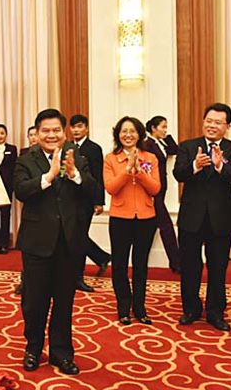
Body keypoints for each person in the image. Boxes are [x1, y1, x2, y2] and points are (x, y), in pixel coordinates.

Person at [15, 108, 96, 375]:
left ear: (64, 132)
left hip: (69, 243)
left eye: (56, 130)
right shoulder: (26, 159)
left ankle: (61, 352)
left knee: (64, 301)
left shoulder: (77, 157)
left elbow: (93, 190)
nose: (51, 135)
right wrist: (48, 176)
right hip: (37, 242)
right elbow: (21, 191)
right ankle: (33, 348)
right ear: (37, 134)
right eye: (46, 131)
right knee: (34, 302)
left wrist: (75, 175)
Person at [173, 103, 231, 331]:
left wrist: (220, 167)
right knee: (190, 267)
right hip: (191, 217)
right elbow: (178, 174)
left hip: (221, 218)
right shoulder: (188, 146)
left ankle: (216, 313)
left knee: (218, 268)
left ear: (227, 126)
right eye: (209, 121)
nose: (212, 126)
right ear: (203, 121)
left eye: (217, 122)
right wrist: (195, 166)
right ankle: (191, 309)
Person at [104, 116, 160, 325]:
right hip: (120, 218)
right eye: (124, 131)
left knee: (140, 264)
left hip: (145, 217)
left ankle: (139, 307)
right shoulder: (110, 159)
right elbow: (111, 188)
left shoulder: (150, 158)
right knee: (119, 264)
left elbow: (155, 188)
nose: (128, 135)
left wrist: (140, 172)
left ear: (139, 134)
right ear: (118, 135)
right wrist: (127, 171)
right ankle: (123, 307)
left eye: (132, 131)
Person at [70, 114, 111, 292]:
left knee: (79, 238)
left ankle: (78, 277)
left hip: (86, 201)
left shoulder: (94, 149)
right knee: (74, 237)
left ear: (86, 128)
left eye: (79, 126)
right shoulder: (67, 147)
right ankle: (101, 257)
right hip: (69, 200)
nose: (76, 130)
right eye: (73, 127)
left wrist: (99, 201)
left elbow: (98, 176)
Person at [144, 116, 182, 273]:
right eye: (163, 127)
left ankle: (141, 260)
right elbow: (146, 169)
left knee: (150, 228)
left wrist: (165, 136)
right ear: (153, 128)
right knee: (166, 226)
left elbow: (175, 149)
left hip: (161, 190)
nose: (165, 130)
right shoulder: (147, 145)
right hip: (153, 192)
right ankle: (177, 263)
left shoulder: (160, 143)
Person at [15, 125, 39, 295]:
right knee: (28, 248)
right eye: (30, 135)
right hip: (30, 202)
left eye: (35, 134)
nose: (33, 138)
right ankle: (24, 281)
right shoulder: (24, 154)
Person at [0, 124, 17, 254]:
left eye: (2, 133)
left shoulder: (12, 149)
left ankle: (5, 244)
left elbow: (14, 168)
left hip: (7, 187)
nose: (0, 136)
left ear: (6, 135)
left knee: (6, 216)